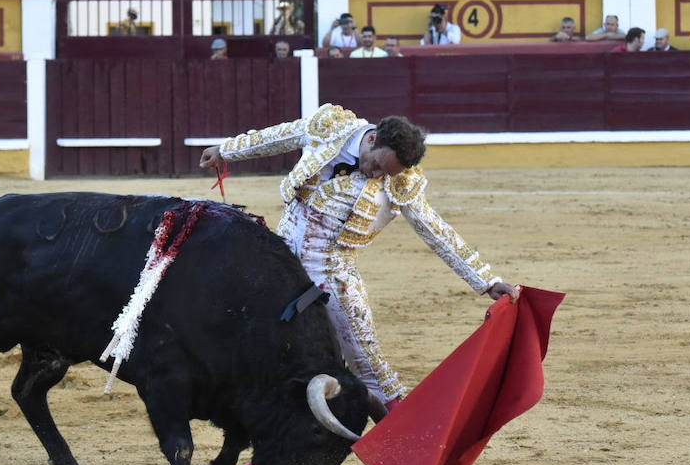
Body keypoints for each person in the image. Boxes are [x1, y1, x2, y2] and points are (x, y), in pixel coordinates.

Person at [197, 106, 515, 419]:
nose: (376, 175)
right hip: (281, 265)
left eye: (385, 173)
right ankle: (272, 452)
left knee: (368, 365)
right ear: (372, 138)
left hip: (333, 277)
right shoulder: (331, 127)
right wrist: (225, 150)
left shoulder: (402, 183)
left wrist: (486, 280)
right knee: (260, 351)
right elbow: (278, 137)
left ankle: (405, 444)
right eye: (377, 164)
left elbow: (436, 231)